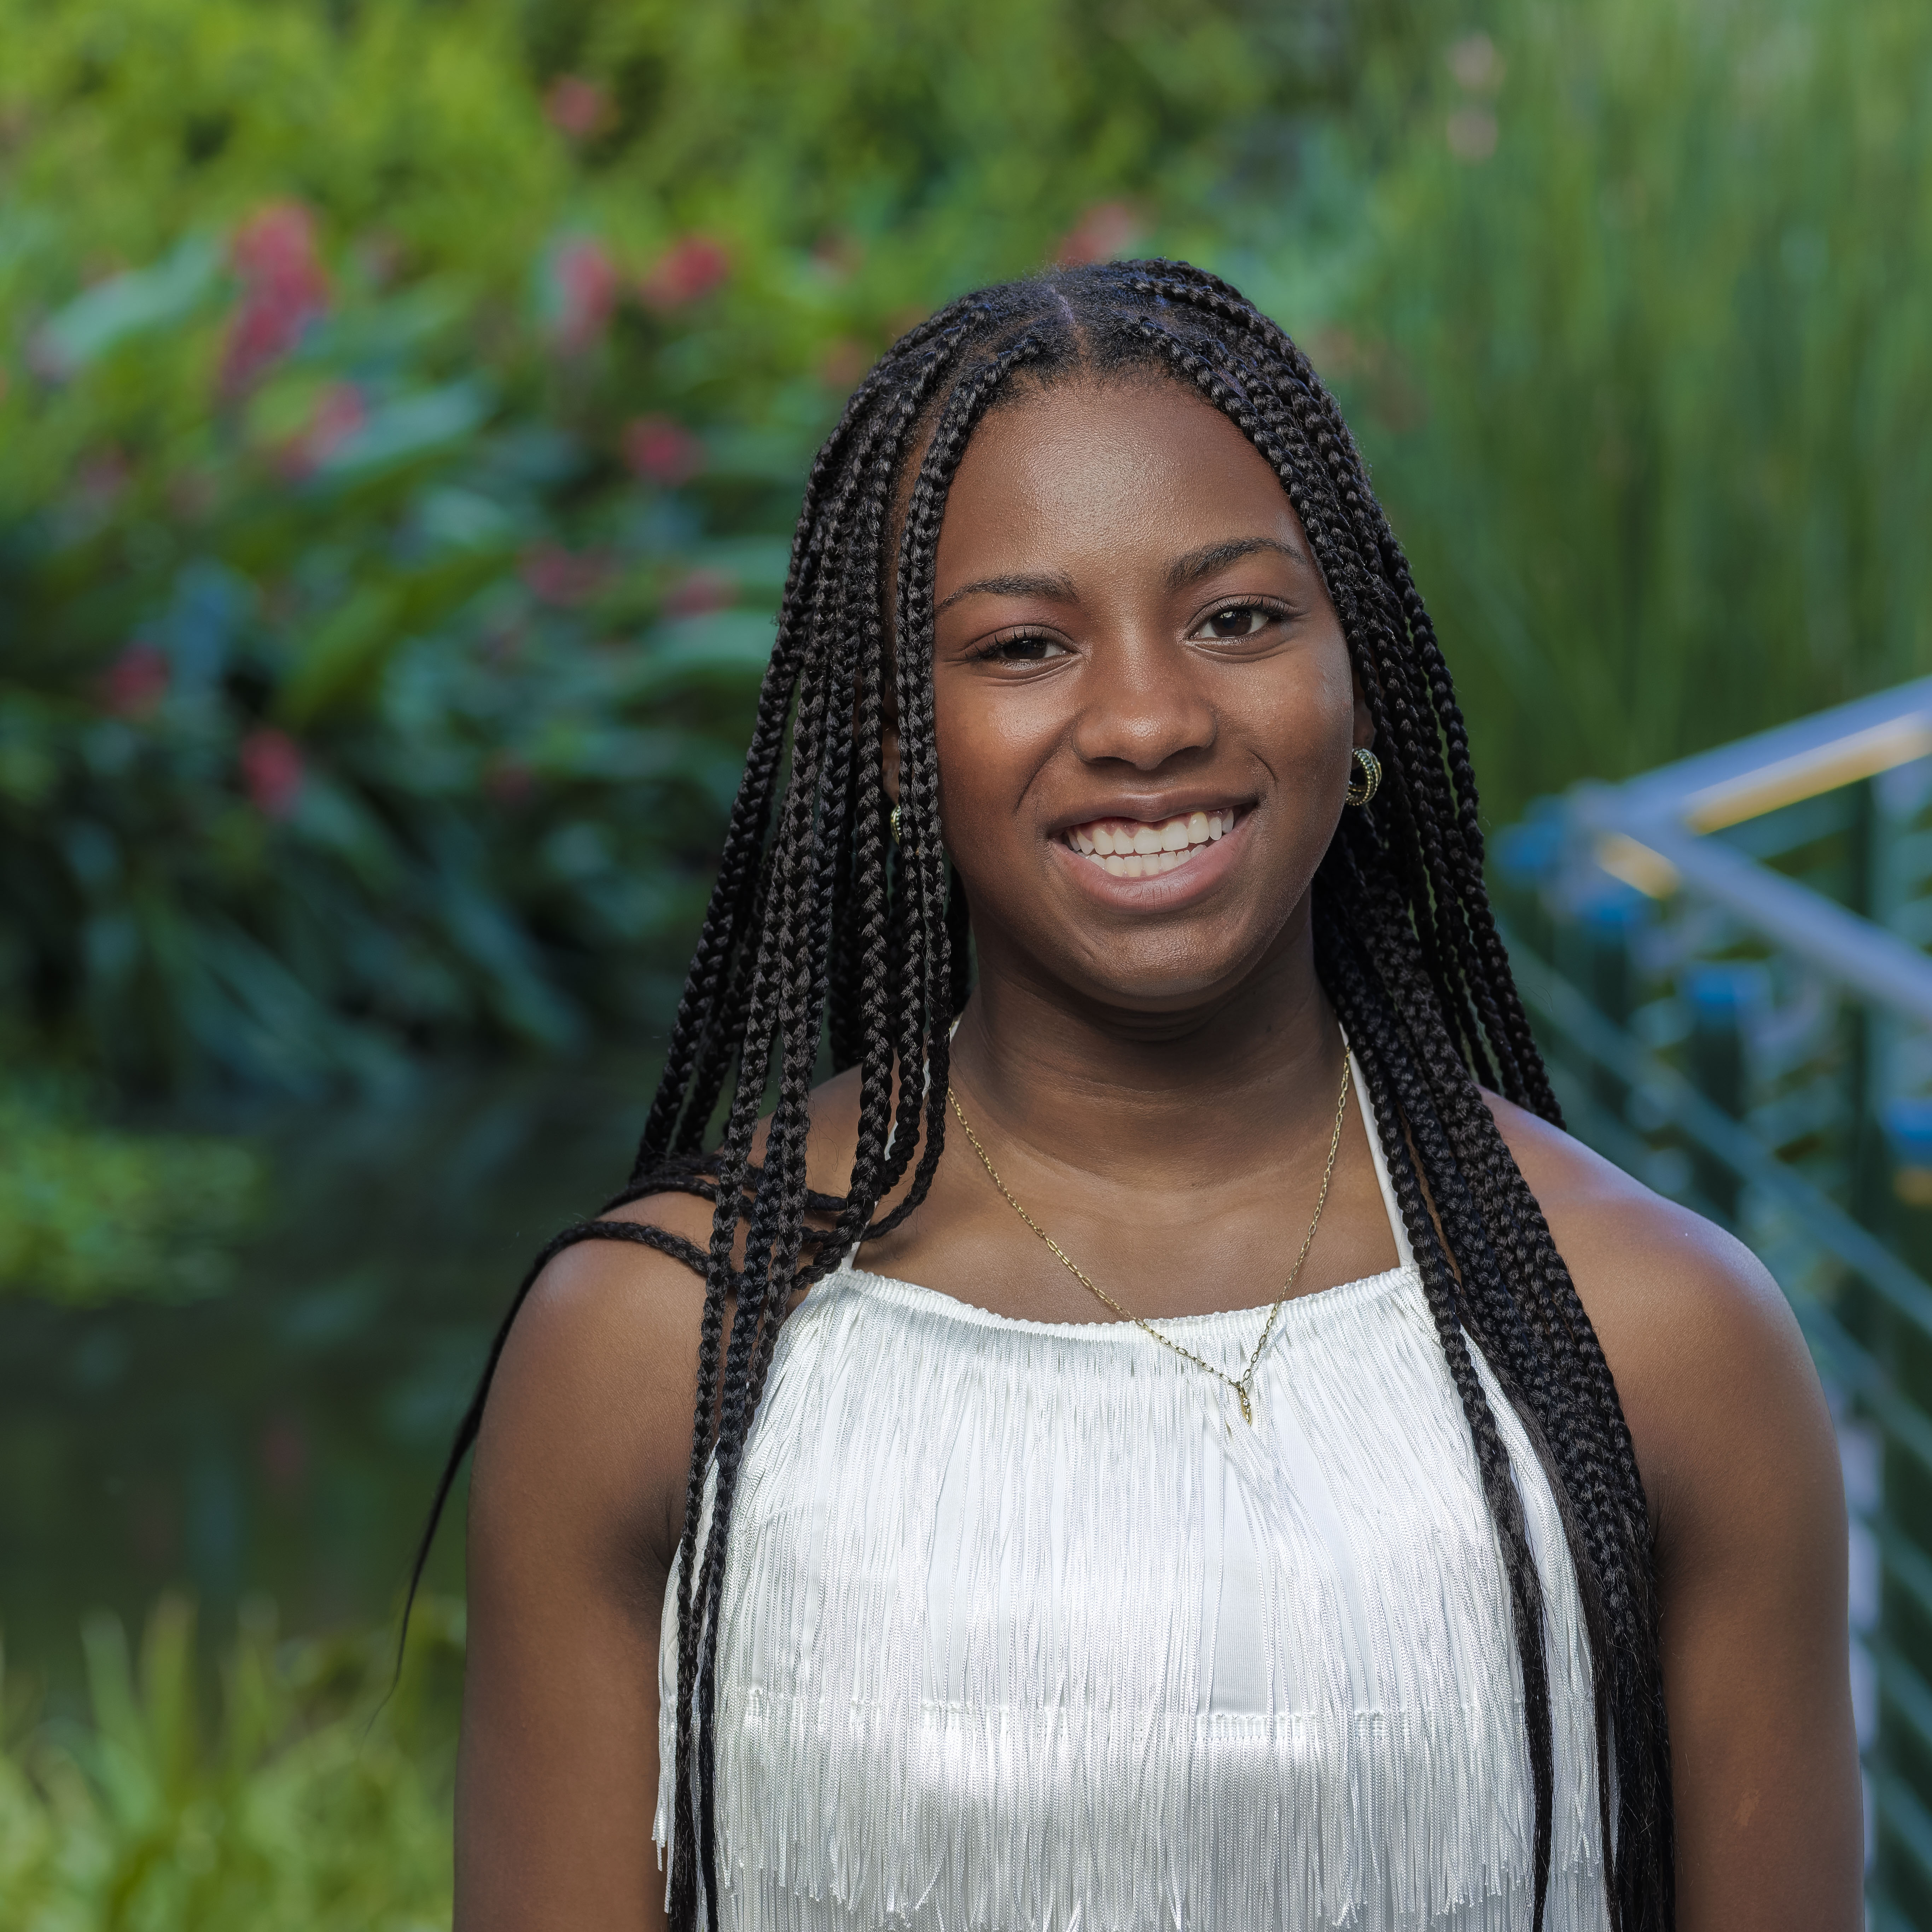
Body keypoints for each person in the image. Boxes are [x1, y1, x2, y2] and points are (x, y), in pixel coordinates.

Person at [424, 262, 1861, 1930]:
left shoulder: (1662, 1339)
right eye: (1024, 644)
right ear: (897, 739)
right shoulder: (655, 1346)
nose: (1147, 719)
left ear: (1363, 671)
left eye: (1237, 618)